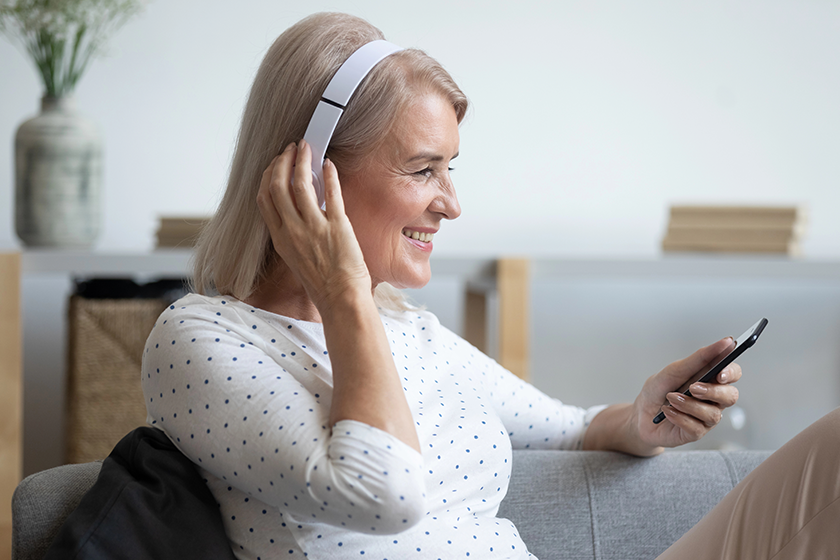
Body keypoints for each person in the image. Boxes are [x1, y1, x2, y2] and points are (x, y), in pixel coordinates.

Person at [141, 12, 839, 560]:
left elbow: (567, 430)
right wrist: (343, 289)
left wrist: (641, 416)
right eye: (422, 170)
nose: (450, 203)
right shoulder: (200, 339)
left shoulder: (409, 330)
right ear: (311, 174)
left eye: (451, 169)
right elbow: (383, 494)